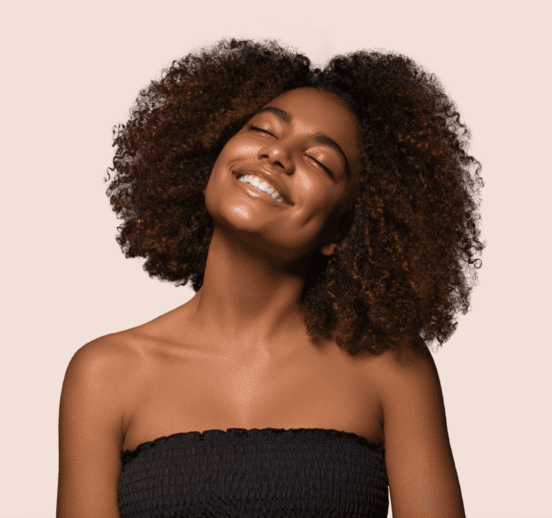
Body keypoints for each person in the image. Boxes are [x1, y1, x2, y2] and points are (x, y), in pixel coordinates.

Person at [56, 39, 484, 518]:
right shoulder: (106, 373)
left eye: (321, 162)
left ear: (343, 231)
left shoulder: (391, 368)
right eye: (263, 129)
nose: (278, 155)